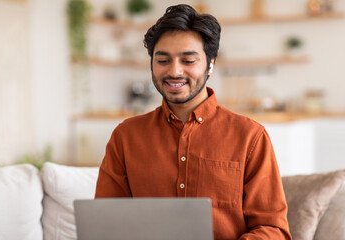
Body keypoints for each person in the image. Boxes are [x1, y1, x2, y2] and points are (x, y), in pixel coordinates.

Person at [95, 4, 292, 240]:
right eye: (163, 60)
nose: (175, 71)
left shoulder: (250, 137)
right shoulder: (126, 136)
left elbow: (273, 229)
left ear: (210, 64)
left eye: (188, 60)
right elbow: (105, 224)